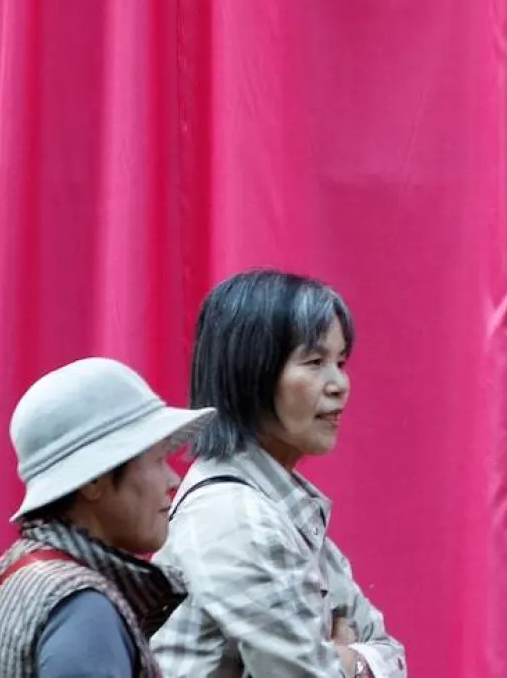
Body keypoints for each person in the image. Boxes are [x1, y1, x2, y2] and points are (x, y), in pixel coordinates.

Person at [152, 269, 407, 677]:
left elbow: (390, 651)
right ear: (250, 373)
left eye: (341, 362)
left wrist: (350, 660)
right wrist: (354, 661)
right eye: (315, 362)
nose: (339, 384)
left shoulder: (284, 508)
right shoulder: (234, 515)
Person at [0, 357, 214, 677]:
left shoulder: (20, 573)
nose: (173, 480)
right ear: (94, 481)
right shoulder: (83, 609)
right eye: (158, 460)